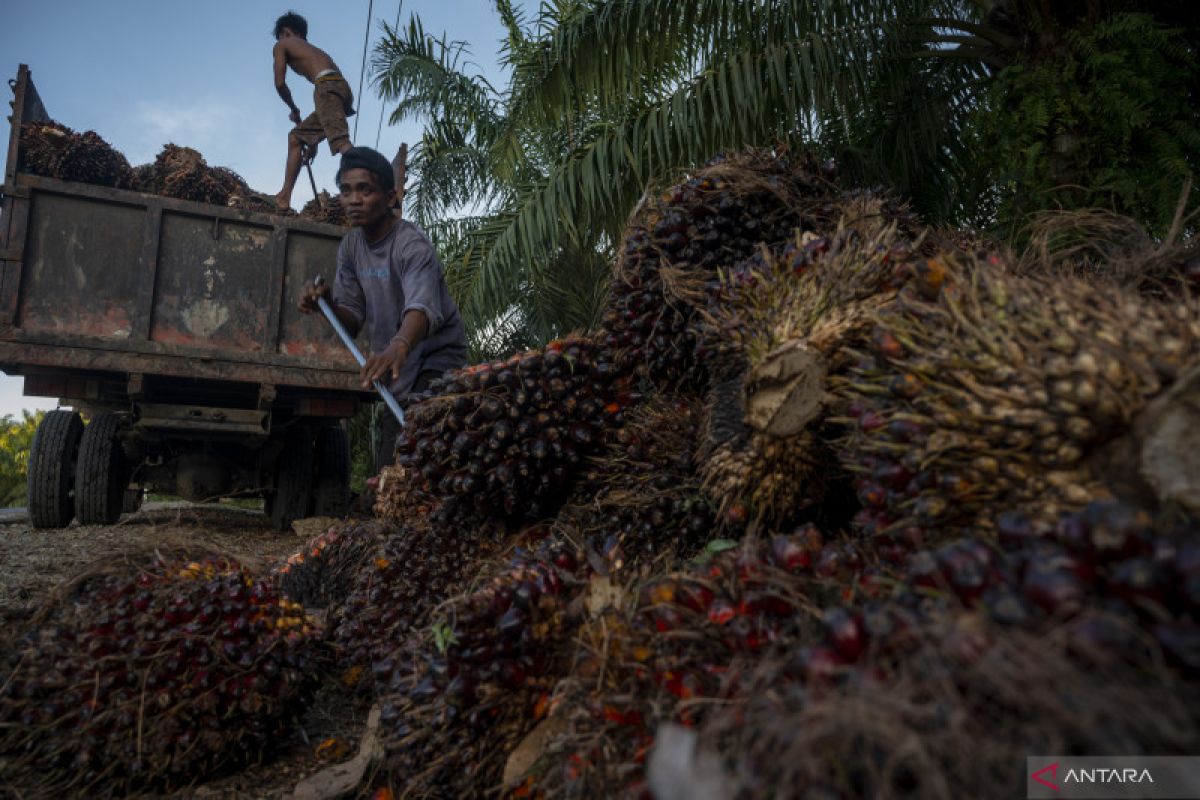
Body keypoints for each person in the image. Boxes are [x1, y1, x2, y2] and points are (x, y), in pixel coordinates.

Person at [299, 147, 468, 473]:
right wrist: (327, 306)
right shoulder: (350, 248)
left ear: (390, 198)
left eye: (365, 189)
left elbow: (422, 307)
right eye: (346, 191)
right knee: (388, 470)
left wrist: (398, 346)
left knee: (421, 452)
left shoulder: (411, 244)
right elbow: (351, 319)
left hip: (436, 360)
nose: (353, 200)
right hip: (399, 367)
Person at [271, 11, 356, 210]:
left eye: (281, 35)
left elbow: (280, 84)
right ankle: (284, 197)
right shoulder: (314, 50)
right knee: (296, 138)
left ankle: (373, 180)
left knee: (341, 143)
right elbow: (330, 110)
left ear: (286, 32)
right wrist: (313, 139)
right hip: (339, 88)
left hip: (326, 85)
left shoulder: (282, 44)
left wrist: (293, 108)